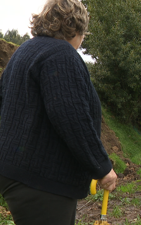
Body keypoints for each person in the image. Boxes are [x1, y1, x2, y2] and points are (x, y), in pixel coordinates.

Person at [0, 0, 117, 224]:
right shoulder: (61, 55)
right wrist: (102, 167)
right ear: (77, 28)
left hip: (17, 174)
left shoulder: (25, 50)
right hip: (41, 182)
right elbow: (72, 118)